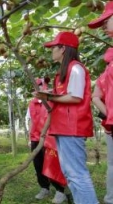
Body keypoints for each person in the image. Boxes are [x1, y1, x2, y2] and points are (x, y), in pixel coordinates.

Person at [34, 32, 98, 204]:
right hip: (64, 127)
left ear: (63, 49)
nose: (51, 51)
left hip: (72, 128)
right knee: (70, 173)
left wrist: (48, 97)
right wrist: (51, 95)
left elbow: (75, 97)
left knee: (77, 173)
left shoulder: (75, 68)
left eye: (54, 47)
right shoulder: (65, 70)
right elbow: (67, 95)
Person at [26, 78, 66, 204]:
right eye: (35, 86)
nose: (37, 88)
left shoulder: (50, 101)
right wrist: (30, 137)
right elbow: (31, 120)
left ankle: (60, 191)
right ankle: (44, 188)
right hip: (35, 138)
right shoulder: (32, 103)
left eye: (40, 85)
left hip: (49, 138)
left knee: (52, 164)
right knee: (38, 165)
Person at [88, 3, 113, 204]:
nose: (104, 28)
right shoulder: (109, 63)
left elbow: (95, 96)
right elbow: (95, 96)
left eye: (106, 21)